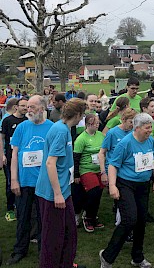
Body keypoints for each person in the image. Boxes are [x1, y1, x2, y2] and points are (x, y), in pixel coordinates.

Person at [99, 113, 154, 268]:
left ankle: (137, 257)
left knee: (141, 220)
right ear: (137, 128)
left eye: (150, 127)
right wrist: (112, 185)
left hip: (143, 185)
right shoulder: (125, 143)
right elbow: (113, 165)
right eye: (147, 128)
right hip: (126, 184)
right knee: (129, 219)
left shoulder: (150, 141)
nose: (150, 131)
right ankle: (107, 256)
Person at [35, 98, 87, 268]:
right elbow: (50, 163)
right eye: (83, 114)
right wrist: (57, 194)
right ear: (77, 114)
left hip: (64, 190)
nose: (83, 117)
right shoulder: (60, 131)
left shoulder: (64, 128)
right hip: (53, 193)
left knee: (69, 232)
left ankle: (66, 263)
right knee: (53, 238)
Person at [7, 95, 53, 265]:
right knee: (23, 218)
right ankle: (20, 250)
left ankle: (44, 251)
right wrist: (14, 179)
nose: (28, 110)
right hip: (24, 182)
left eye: (32, 107)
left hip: (43, 182)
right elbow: (14, 155)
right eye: (27, 107)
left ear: (42, 108)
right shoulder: (22, 127)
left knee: (43, 219)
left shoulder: (51, 128)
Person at [73, 114, 105, 233]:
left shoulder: (100, 135)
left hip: (99, 169)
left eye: (97, 123)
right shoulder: (81, 139)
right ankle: (87, 217)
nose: (97, 125)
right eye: (94, 123)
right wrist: (76, 174)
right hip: (86, 169)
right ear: (87, 124)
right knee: (93, 192)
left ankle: (93, 216)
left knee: (99, 193)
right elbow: (76, 157)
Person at [1, 98, 28, 222]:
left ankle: (20, 206)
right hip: (10, 157)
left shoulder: (27, 121)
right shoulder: (7, 120)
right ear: (16, 107)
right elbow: (1, 138)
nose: (25, 108)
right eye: (22, 106)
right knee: (10, 183)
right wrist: (2, 155)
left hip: (23, 158)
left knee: (22, 183)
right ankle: (10, 209)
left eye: (27, 106)